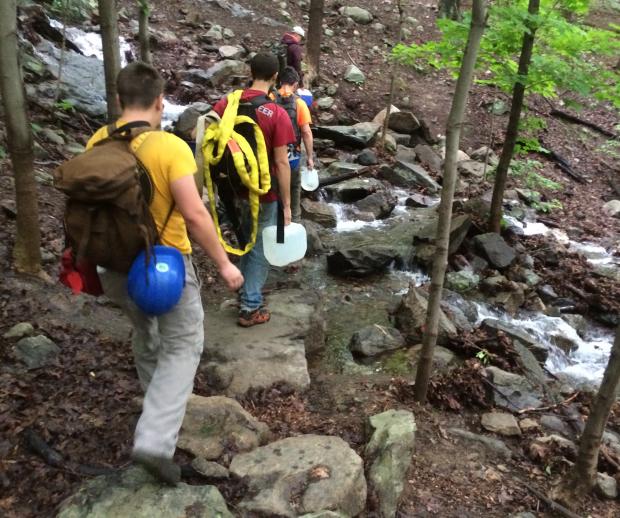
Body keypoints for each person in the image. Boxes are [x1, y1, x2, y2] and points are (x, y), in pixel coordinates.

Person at [85, 62, 243, 485]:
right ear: (160, 102)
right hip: (164, 269)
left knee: (145, 335)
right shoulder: (169, 147)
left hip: (116, 267)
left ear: (119, 100)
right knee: (184, 344)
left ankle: (157, 408)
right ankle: (155, 439)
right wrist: (225, 264)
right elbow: (194, 213)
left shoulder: (98, 141)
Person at [212, 53, 295, 327]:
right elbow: (282, 162)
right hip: (264, 192)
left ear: (250, 71)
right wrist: (287, 204)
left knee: (246, 239)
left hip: (233, 188)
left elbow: (202, 133)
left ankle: (246, 291)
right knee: (260, 245)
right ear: (275, 78)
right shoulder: (277, 113)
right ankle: (250, 306)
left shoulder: (228, 102)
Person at [274, 66, 314, 222]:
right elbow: (306, 133)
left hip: (272, 158)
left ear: (279, 81)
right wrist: (310, 157)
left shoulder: (269, 99)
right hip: (293, 157)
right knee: (294, 190)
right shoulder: (300, 104)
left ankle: (273, 231)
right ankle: (293, 223)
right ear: (295, 84)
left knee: (273, 195)